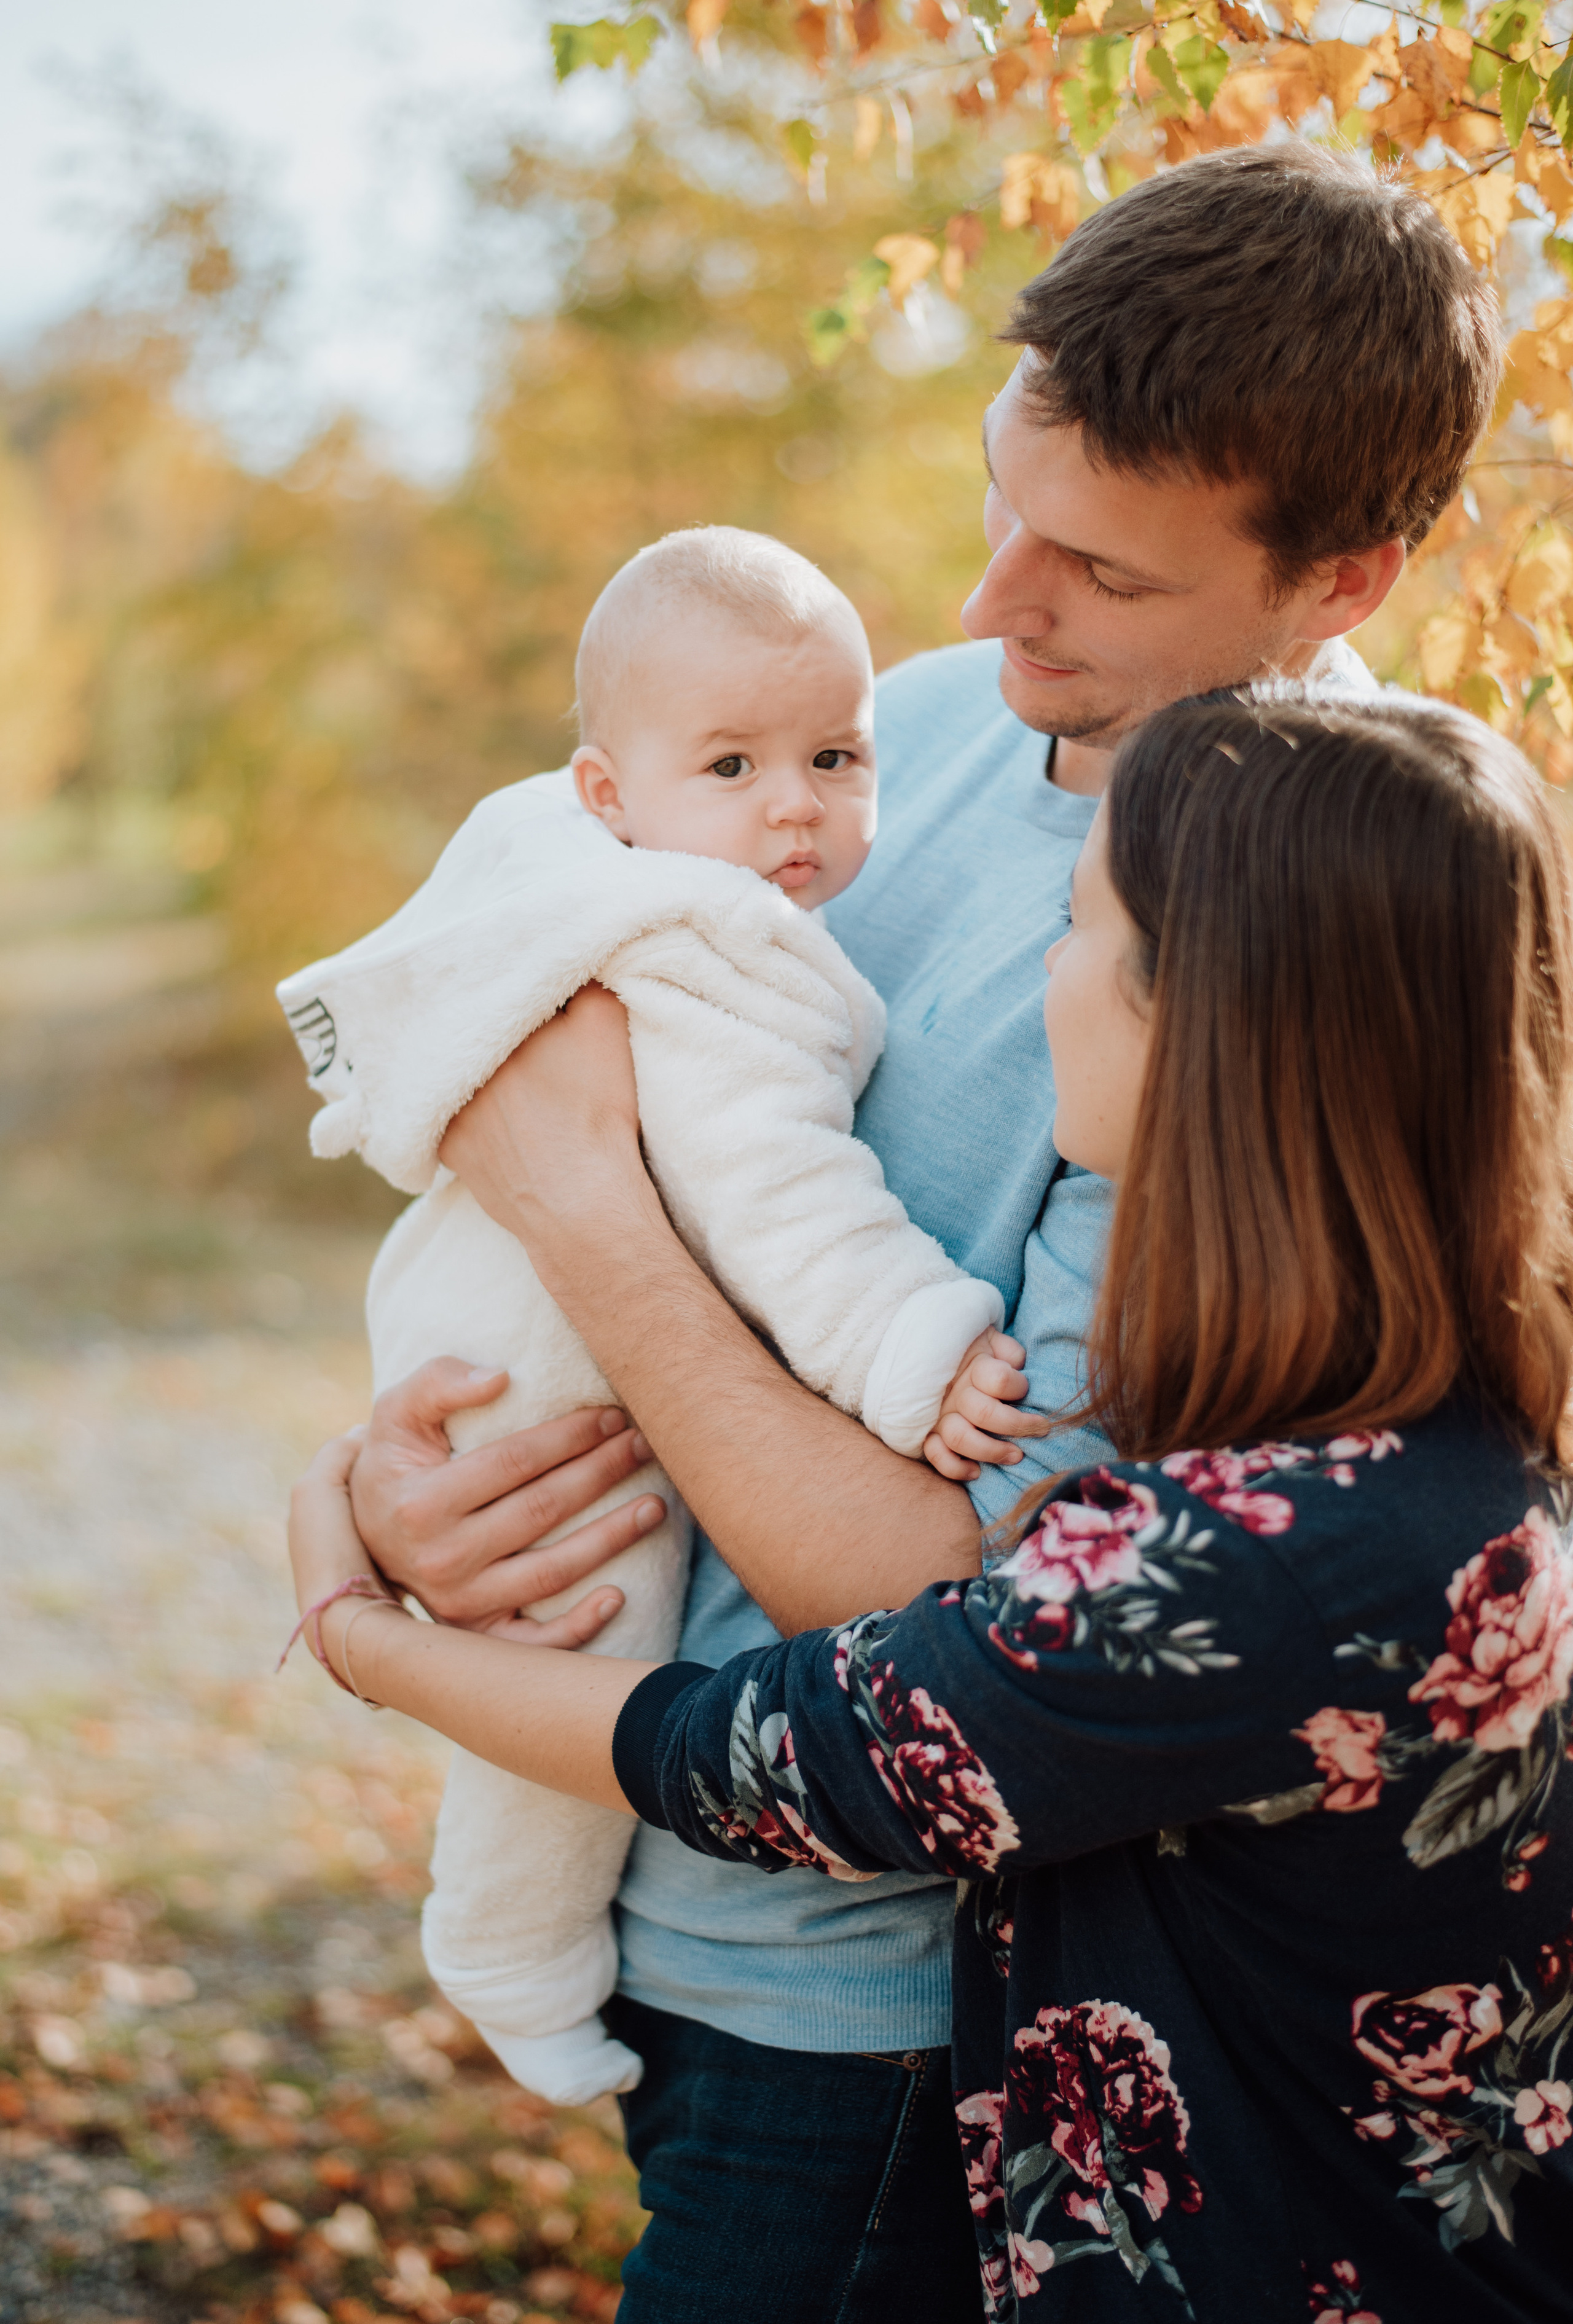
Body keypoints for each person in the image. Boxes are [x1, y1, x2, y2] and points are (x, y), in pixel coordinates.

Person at [336, 145, 1504, 2318]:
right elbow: (530, 1066)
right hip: (648, 1870)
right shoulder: (878, 747)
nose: (988, 605)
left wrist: (584, 1211)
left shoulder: (1274, 962)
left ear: (1342, 577)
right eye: (1002, 498)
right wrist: (377, 1491)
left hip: (872, 1992)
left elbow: (973, 1601)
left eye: (1096, 573)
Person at [291, 691, 1573, 2321]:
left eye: (1085, 926)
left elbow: (772, 1748)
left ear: (1214, 1026)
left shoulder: (1271, 1552)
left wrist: (349, 1627)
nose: (1043, 966)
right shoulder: (1424, 1434)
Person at [276, 524, 1021, 2110]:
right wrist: (920, 1352)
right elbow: (784, 1201)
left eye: (833, 757)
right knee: (579, 1622)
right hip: (544, 1353)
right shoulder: (712, 943)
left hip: (473, 1289)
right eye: (735, 766)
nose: (794, 808)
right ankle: (507, 1943)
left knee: (542, 1631)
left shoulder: (577, 869)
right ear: (611, 794)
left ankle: (508, 1939)